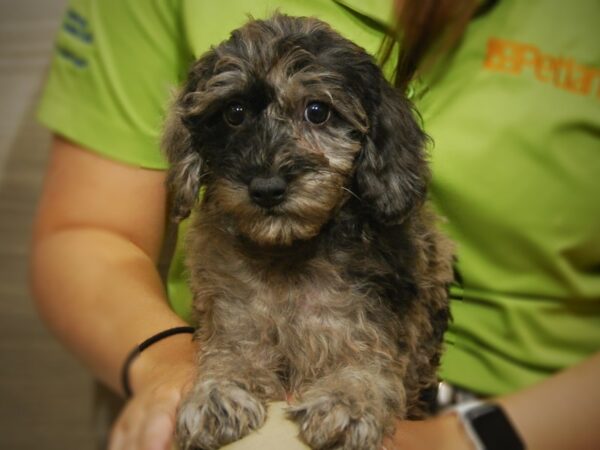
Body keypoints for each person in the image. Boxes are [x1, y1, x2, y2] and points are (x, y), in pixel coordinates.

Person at [30, 0, 600, 449]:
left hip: (533, 421)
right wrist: (167, 367)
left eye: (318, 114)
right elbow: (87, 232)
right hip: (205, 373)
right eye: (234, 115)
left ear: (373, 135)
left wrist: (465, 439)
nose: (268, 175)